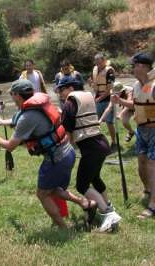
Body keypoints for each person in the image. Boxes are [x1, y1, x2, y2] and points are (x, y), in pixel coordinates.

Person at [0, 79, 95, 229]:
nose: (11, 97)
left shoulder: (27, 116)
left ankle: (64, 228)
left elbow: (10, 146)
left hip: (55, 159)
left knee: (42, 194)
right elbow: (23, 120)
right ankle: (86, 203)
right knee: (54, 190)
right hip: (67, 152)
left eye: (12, 94)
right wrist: (2, 121)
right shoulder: (38, 106)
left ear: (18, 95)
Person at [55, 76, 122, 232]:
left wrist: (64, 151)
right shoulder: (88, 96)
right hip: (101, 143)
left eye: (62, 90)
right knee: (95, 178)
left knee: (82, 185)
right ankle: (108, 205)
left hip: (91, 148)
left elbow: (67, 132)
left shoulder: (70, 103)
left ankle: (107, 212)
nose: (60, 93)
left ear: (71, 88)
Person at [111, 52, 155, 219]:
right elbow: (137, 105)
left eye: (134, 65)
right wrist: (121, 102)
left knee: (152, 166)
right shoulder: (137, 85)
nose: (132, 68)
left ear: (142, 67)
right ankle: (149, 190)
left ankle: (153, 205)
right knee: (141, 164)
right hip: (142, 130)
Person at [89, 53, 117, 152]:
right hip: (98, 97)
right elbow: (94, 84)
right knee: (95, 122)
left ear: (104, 61)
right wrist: (91, 84)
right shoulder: (95, 69)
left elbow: (109, 89)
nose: (98, 65)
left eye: (100, 63)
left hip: (108, 98)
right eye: (96, 63)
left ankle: (114, 142)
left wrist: (99, 98)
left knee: (109, 122)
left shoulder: (109, 71)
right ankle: (99, 143)